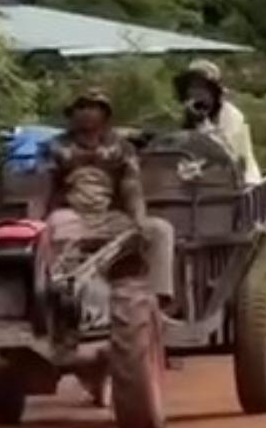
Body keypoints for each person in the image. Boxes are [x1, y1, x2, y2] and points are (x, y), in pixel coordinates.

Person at [39, 89, 175, 312]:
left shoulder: (121, 147)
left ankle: (157, 302)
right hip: (71, 215)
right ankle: (61, 302)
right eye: (82, 107)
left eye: (94, 107)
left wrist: (139, 219)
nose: (88, 113)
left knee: (160, 230)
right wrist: (37, 223)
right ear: (72, 114)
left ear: (105, 113)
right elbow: (42, 187)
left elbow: (132, 186)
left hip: (110, 217)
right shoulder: (55, 147)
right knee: (56, 229)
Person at [175, 59, 262, 184]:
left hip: (238, 179)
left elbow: (226, 154)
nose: (196, 93)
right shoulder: (189, 116)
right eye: (192, 87)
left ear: (213, 92)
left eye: (202, 88)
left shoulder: (231, 115)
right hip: (202, 181)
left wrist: (203, 123)